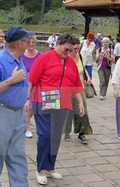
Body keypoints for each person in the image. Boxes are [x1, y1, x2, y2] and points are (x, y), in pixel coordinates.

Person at [28, 34, 85, 185]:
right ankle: (40, 168)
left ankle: (50, 166)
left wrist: (80, 103)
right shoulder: (44, 58)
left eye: (71, 50)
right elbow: (32, 80)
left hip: (63, 101)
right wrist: (27, 100)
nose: (68, 52)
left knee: (55, 136)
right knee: (45, 134)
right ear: (58, 44)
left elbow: (76, 84)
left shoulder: (70, 62)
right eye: (66, 49)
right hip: (44, 98)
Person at [0, 26, 33, 187]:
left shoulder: (19, 59)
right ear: (19, 43)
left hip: (18, 113)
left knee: (17, 155)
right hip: (0, 113)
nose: (30, 42)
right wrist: (11, 80)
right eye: (27, 40)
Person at [63, 37, 93, 144]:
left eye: (78, 48)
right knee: (68, 111)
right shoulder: (65, 58)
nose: (76, 51)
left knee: (82, 110)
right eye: (74, 49)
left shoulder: (80, 56)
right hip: (68, 88)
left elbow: (83, 69)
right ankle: (66, 132)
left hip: (80, 87)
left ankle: (82, 132)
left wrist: (88, 77)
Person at [22, 37, 41, 138]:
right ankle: (27, 127)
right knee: (28, 107)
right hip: (25, 83)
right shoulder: (22, 55)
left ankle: (25, 123)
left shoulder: (40, 55)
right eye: (29, 42)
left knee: (34, 107)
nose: (31, 44)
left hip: (37, 84)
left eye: (33, 42)